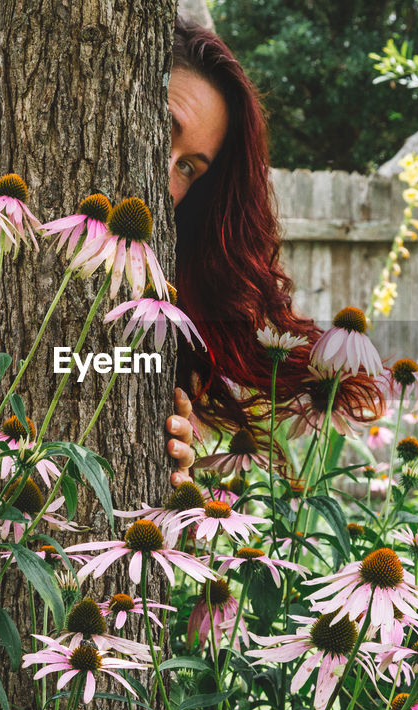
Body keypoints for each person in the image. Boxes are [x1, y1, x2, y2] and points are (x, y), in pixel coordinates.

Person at [162, 19, 384, 487]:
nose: (163, 182)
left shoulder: (169, 306)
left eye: (186, 167)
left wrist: (166, 463)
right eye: (163, 131)